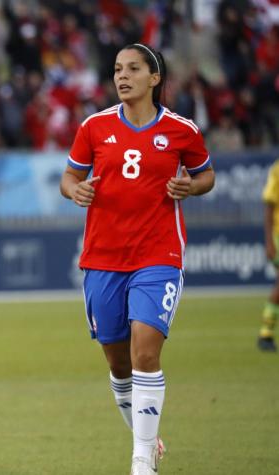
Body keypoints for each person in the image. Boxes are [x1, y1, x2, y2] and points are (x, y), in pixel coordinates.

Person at [59, 43, 214, 475]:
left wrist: (192, 187)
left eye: (132, 69)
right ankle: (145, 436)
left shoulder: (182, 130)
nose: (122, 76)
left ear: (155, 77)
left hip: (158, 254)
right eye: (116, 70)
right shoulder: (94, 127)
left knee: (146, 350)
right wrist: (76, 190)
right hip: (103, 258)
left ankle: (142, 461)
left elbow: (206, 175)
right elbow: (69, 176)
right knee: (118, 360)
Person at [258, 156, 279, 352]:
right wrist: (269, 242)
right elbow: (269, 206)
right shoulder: (277, 169)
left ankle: (266, 332)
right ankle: (265, 333)